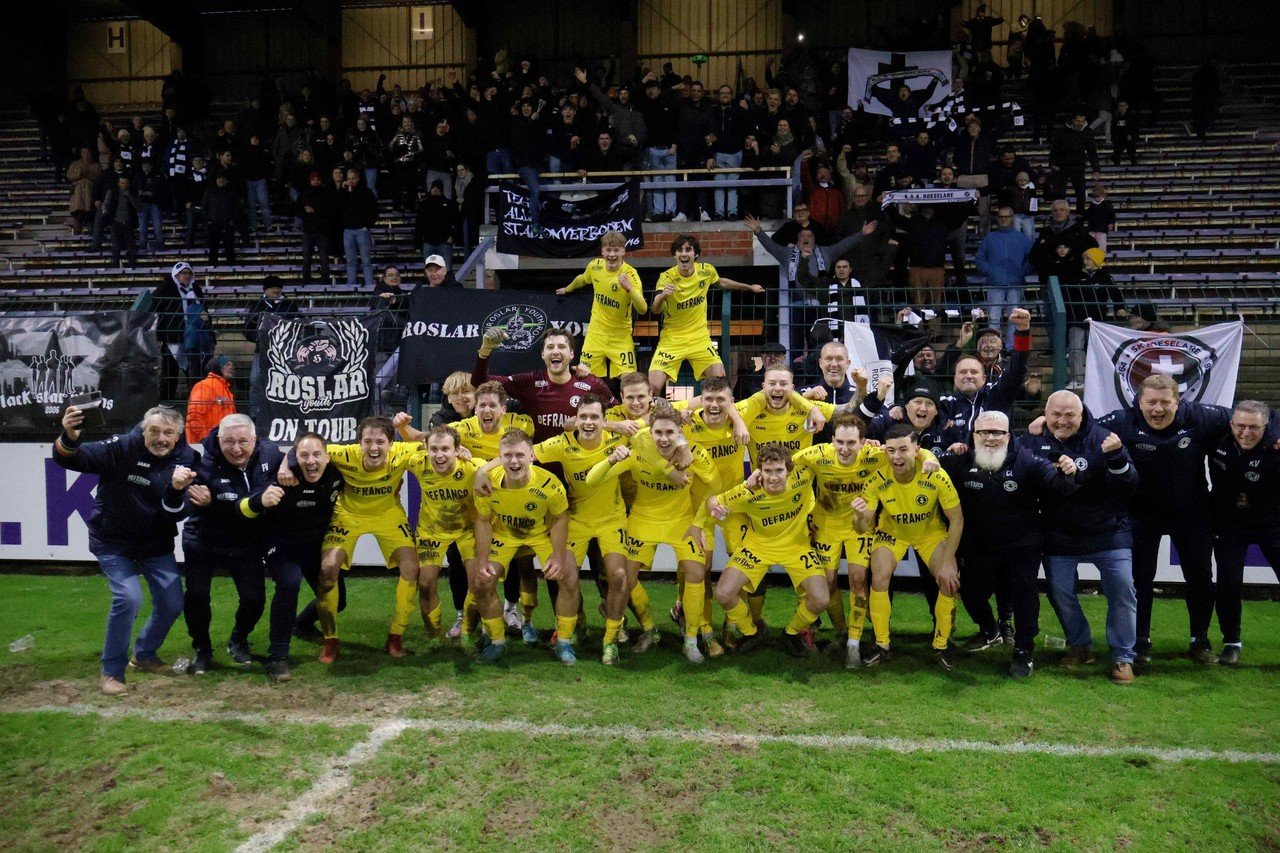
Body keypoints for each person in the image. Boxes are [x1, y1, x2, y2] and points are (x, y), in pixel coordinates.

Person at [53, 405, 198, 695]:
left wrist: (183, 492)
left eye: (169, 433)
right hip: (113, 542)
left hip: (156, 544)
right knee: (129, 598)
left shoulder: (188, 458)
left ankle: (144, 654)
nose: (161, 438)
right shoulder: (120, 447)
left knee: (172, 604)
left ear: (178, 435)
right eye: (154, 431)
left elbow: (178, 512)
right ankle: (112, 672)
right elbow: (70, 459)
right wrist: (69, 436)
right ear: (143, 430)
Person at [1096, 375, 1233, 666]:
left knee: (1200, 578)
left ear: (1178, 402)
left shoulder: (1200, 417)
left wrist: (1272, 436)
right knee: (1139, 579)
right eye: (1151, 402)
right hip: (1141, 514)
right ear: (1139, 402)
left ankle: (1200, 641)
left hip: (1192, 512)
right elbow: (1083, 430)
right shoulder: (1123, 420)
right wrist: (1041, 425)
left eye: (1165, 402)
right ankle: (1140, 641)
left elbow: (1253, 417)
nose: (1158, 409)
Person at [941, 410, 1080, 677]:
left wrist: (1069, 473)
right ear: (974, 435)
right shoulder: (960, 460)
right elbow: (932, 473)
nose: (990, 438)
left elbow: (1060, 486)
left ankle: (1024, 650)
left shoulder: (1028, 461)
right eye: (984, 432)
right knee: (969, 591)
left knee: (1025, 595)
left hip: (1022, 543)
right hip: (977, 543)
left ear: (1008, 435)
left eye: (997, 432)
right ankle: (990, 630)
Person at [282, 416, 425, 663]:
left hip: (387, 514)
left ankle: (395, 638)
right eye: (367, 441)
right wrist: (285, 466)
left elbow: (432, 443)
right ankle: (330, 641)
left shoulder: (403, 452)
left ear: (392, 444)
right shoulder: (341, 453)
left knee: (412, 569)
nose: (373, 447)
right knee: (327, 570)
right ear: (358, 443)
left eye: (380, 441)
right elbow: (301, 448)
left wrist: (462, 450)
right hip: (347, 514)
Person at [586, 401, 721, 663]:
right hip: (642, 520)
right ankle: (649, 629)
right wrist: (612, 458)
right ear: (650, 433)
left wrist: (699, 522)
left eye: (670, 433)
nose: (663, 438)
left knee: (696, 573)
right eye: (658, 432)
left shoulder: (694, 453)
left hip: (681, 522)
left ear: (679, 432)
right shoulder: (637, 450)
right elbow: (593, 480)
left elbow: (716, 486)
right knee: (627, 579)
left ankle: (691, 639)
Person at [1020, 391, 1139, 683]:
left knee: (1123, 591)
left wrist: (1117, 457)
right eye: (1055, 415)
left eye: (1070, 415)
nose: (1062, 421)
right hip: (1058, 535)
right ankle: (1080, 645)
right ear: (1045, 416)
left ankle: (1123, 657)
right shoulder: (1031, 439)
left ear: (1082, 414)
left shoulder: (1104, 438)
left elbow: (1131, 484)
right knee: (1060, 593)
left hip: (1108, 532)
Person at [180, 414, 285, 675]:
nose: (236, 449)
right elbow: (202, 504)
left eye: (243, 441)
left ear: (254, 439)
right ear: (218, 439)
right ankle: (202, 649)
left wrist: (288, 468)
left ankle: (238, 640)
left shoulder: (271, 454)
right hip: (204, 539)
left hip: (247, 541)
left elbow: (293, 462)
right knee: (196, 597)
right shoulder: (201, 464)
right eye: (229, 442)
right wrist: (200, 500)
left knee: (254, 600)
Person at [853, 423, 964, 670]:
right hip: (892, 532)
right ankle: (882, 645)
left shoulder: (935, 475)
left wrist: (947, 562)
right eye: (891, 450)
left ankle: (941, 644)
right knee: (878, 578)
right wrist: (858, 516)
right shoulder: (876, 479)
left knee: (948, 580)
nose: (896, 456)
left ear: (917, 450)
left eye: (903, 449)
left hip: (929, 533)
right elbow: (861, 528)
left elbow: (957, 519)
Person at [792, 414, 894, 667]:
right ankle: (841, 630)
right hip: (825, 526)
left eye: (851, 443)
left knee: (858, 581)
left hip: (859, 527)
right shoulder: (818, 454)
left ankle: (853, 644)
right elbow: (784, 462)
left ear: (863, 442)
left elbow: (912, 452)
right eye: (840, 442)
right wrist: (757, 476)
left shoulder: (875, 455)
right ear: (832, 440)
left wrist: (929, 460)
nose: (844, 449)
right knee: (827, 585)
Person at [709, 442, 828, 659]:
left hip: (796, 547)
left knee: (821, 599)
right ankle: (751, 632)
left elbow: (826, 451)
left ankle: (792, 633)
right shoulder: (749, 491)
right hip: (758, 547)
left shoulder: (802, 478)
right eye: (768, 471)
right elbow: (712, 501)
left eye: (779, 471)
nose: (773, 477)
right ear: (759, 472)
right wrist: (717, 509)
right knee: (724, 594)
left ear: (789, 470)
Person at [473, 429, 578, 665]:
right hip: (505, 534)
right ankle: (497, 643)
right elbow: (482, 521)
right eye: (507, 455)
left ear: (531, 455)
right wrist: (481, 562)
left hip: (541, 533)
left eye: (520, 455)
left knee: (569, 577)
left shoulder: (550, 484)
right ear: (499, 457)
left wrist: (559, 558)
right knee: (481, 582)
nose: (514, 461)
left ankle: (563, 642)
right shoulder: (486, 484)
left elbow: (561, 518)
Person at [643, 235, 765, 396]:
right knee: (653, 387)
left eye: (688, 250)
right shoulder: (666, 277)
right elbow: (656, 309)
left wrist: (749, 287)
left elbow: (721, 282)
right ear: (675, 255)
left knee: (720, 381)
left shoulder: (706, 271)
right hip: (672, 339)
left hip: (699, 338)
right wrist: (663, 296)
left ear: (695, 254)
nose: (684, 254)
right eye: (679, 250)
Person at [1208, 401, 1280, 665]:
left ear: (1266, 426)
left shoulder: (1276, 444)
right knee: (1228, 583)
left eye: (1254, 427)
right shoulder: (1217, 439)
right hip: (1229, 523)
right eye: (1240, 426)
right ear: (1231, 424)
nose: (1246, 433)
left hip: (1272, 522)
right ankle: (1231, 643)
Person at [555, 230, 648, 380]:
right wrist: (567, 289)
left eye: (616, 250)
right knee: (584, 378)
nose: (612, 254)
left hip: (621, 336)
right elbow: (582, 279)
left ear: (624, 251)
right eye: (608, 250)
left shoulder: (631, 274)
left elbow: (643, 309)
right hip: (595, 334)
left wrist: (629, 288)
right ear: (602, 251)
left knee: (630, 380)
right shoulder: (595, 267)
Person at [149, 261, 215, 398]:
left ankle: (198, 399)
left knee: (195, 369)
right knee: (170, 370)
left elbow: (203, 308)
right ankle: (166, 401)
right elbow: (155, 310)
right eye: (183, 273)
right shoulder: (166, 288)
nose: (186, 276)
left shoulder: (195, 289)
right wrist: (158, 334)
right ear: (176, 274)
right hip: (173, 336)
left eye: (188, 273)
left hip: (194, 335)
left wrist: (207, 321)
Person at [975, 207, 1033, 346]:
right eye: (1001, 216)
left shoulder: (1022, 238)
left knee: (1014, 318)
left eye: (1006, 216)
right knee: (994, 319)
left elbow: (1031, 259)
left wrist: (1022, 272)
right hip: (994, 283)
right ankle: (995, 348)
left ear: (1012, 218)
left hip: (1016, 283)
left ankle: (1011, 348)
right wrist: (990, 271)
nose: (1003, 219)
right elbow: (979, 259)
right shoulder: (990, 238)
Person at [1048, 111, 1100, 214]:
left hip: (1078, 167)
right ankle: (1059, 215)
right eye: (1078, 121)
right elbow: (1054, 149)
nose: (1080, 123)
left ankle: (1080, 216)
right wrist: (1053, 164)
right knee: (1060, 194)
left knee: (1081, 194)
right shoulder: (1062, 132)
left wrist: (1096, 169)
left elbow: (1092, 152)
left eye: (1082, 121)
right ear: (1073, 120)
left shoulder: (1087, 132)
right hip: (1062, 167)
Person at [340, 168, 378, 290]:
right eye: (349, 179)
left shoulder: (366, 192)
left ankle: (369, 285)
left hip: (361, 230)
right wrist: (343, 190)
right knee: (350, 261)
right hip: (348, 230)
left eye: (353, 178)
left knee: (366, 260)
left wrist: (367, 225)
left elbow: (374, 209)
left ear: (358, 178)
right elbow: (337, 206)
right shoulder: (344, 192)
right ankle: (351, 286)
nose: (351, 181)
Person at [185, 355, 236, 444]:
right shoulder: (205, 386)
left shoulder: (225, 388)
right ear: (217, 367)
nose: (231, 367)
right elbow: (194, 415)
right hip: (203, 444)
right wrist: (205, 439)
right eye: (227, 365)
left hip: (218, 442)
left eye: (232, 365)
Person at [298, 170, 336, 283]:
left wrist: (315, 210)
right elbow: (297, 208)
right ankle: (306, 279)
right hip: (308, 229)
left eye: (317, 179)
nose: (315, 182)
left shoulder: (326, 193)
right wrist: (304, 210)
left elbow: (329, 210)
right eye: (313, 179)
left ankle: (325, 279)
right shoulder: (304, 193)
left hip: (321, 229)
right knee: (306, 257)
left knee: (323, 256)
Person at [414, 179, 457, 267]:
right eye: (433, 187)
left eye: (437, 187)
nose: (435, 189)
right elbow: (419, 225)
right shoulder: (424, 205)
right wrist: (418, 244)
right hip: (428, 242)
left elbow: (456, 221)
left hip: (444, 242)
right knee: (430, 270)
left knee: (446, 270)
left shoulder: (449, 204)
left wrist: (452, 236)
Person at [66, 147, 103, 235]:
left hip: (90, 193)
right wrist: (79, 173)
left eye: (87, 152)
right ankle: (76, 237)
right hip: (78, 194)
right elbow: (70, 175)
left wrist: (86, 173)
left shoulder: (96, 165)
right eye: (83, 152)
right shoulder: (75, 164)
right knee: (78, 216)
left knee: (90, 217)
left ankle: (91, 238)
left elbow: (96, 176)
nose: (85, 155)